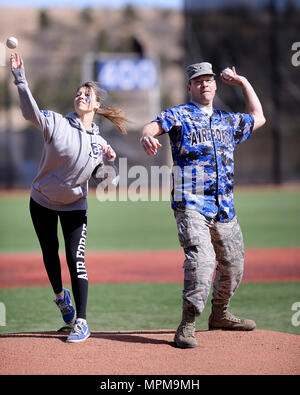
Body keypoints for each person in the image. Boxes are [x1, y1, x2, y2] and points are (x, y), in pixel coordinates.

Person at [140, 62, 266, 348]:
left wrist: (244, 82)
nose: (205, 84)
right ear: (189, 87)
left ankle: (220, 314)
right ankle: (187, 323)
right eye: (198, 81)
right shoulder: (180, 114)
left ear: (215, 85)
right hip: (191, 204)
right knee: (202, 260)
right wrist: (146, 136)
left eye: (209, 80)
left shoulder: (226, 119)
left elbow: (258, 117)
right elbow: (153, 126)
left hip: (225, 208)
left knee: (233, 265)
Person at [10, 52, 128, 343]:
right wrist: (21, 79)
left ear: (97, 104)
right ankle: (60, 297)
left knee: (76, 259)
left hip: (76, 205)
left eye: (87, 94)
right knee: (50, 253)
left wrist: (110, 163)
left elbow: (104, 180)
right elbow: (30, 113)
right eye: (79, 93)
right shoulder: (55, 123)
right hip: (42, 201)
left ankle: (82, 321)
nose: (81, 96)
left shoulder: (100, 142)